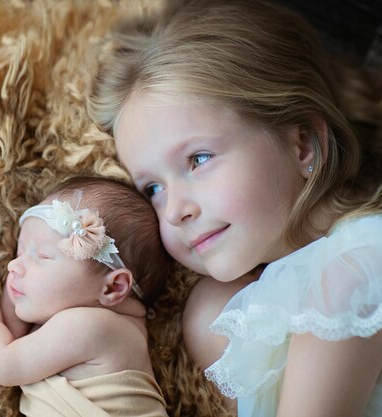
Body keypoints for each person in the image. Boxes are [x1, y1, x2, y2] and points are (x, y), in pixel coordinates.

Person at [88, 1, 382, 416]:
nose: (174, 211)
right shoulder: (231, 311)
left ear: (302, 143)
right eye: (152, 187)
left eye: (199, 159)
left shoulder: (352, 271)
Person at [0, 176, 173, 417]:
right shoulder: (95, 322)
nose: (13, 266)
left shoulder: (94, 327)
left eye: (42, 256)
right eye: (19, 252)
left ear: (113, 288)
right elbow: (10, 333)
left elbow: (5, 362)